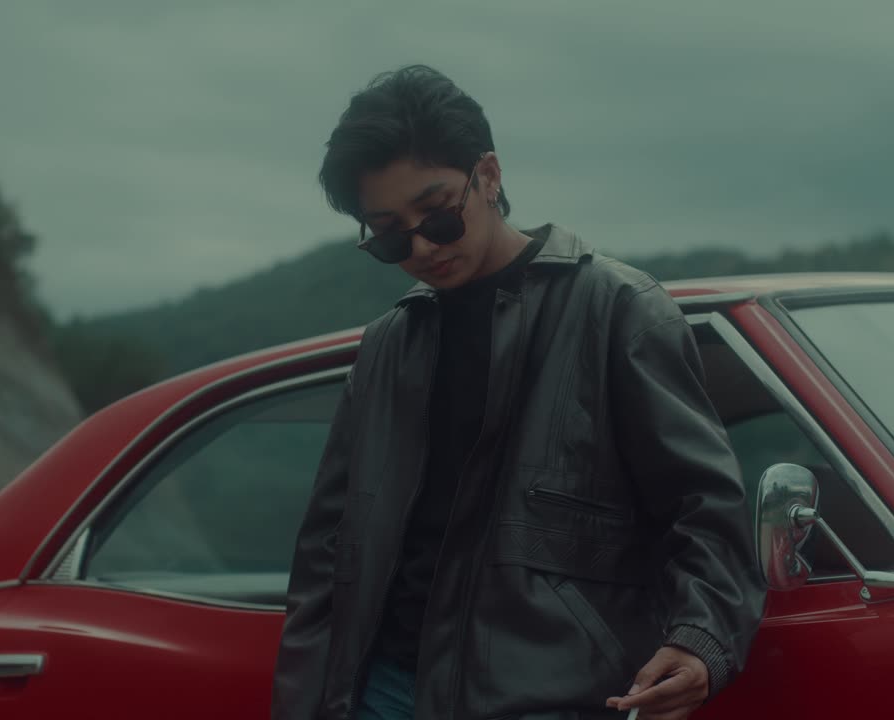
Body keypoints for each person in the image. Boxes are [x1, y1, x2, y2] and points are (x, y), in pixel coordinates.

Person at [272, 65, 766, 720]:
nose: (420, 246)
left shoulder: (618, 310)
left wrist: (701, 637)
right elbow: (327, 552)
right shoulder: (389, 345)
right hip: (382, 690)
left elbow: (702, 505)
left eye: (437, 215)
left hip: (550, 697)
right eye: (389, 234)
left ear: (489, 176)